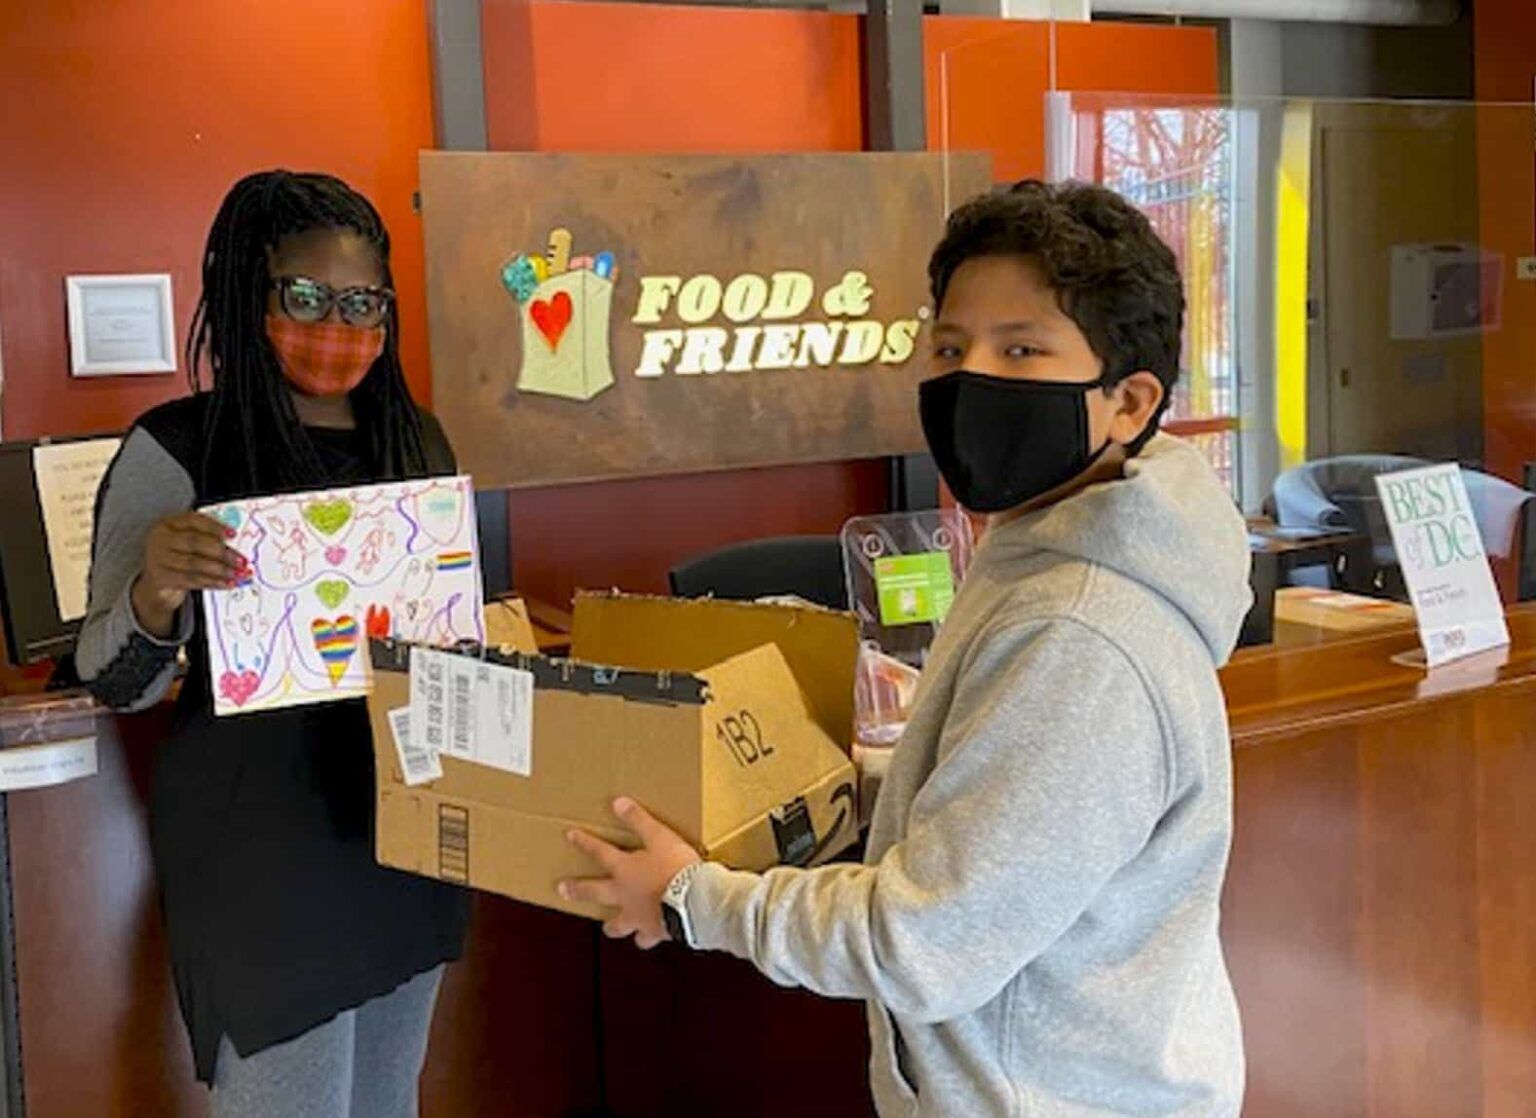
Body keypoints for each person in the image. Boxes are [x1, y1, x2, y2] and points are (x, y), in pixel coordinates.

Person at [561, 180, 1252, 1116]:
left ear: (1128, 402)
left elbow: (924, 943)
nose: (972, 380)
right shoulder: (1041, 546)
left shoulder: (1079, 638)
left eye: (1021, 350)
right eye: (951, 348)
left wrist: (693, 899)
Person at [76, 171, 468, 1118]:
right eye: (305, 296)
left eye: (363, 303)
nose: (337, 327)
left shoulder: (417, 440)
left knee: (387, 1101)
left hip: (402, 834)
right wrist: (156, 589)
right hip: (262, 852)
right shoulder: (178, 446)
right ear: (250, 297)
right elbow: (113, 680)